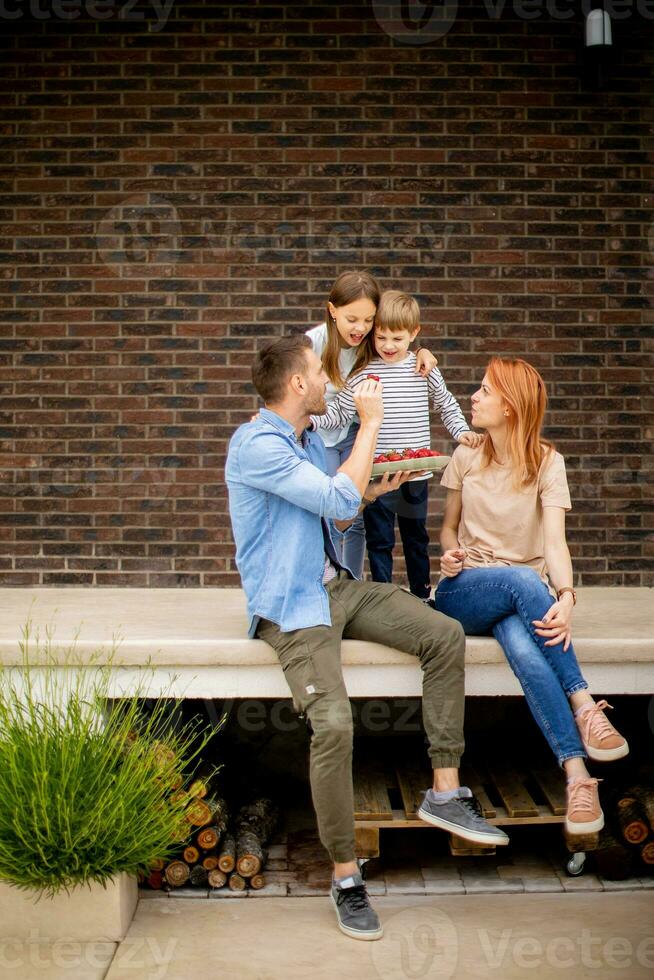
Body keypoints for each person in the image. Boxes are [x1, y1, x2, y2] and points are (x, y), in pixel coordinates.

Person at [226, 334, 507, 943]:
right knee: (332, 724)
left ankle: (444, 789)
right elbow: (334, 493)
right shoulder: (256, 445)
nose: (331, 383)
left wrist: (375, 489)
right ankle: (347, 878)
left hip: (335, 588)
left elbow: (340, 512)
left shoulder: (303, 440)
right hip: (292, 607)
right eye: (320, 376)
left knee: (443, 635)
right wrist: (371, 426)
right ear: (297, 384)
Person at [432, 357, 629, 836]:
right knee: (522, 581)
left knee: (525, 648)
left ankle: (578, 777)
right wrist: (450, 557)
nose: (473, 398)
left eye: (484, 391)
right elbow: (447, 530)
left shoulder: (548, 463)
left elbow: (555, 543)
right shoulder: (466, 455)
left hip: (522, 600)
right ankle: (584, 703)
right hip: (464, 593)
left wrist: (566, 597)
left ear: (511, 407)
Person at [310, 290, 483, 599]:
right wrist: (310, 420)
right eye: (381, 338)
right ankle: (382, 595)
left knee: (416, 537)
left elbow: (446, 404)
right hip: (379, 473)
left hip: (417, 474)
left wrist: (461, 431)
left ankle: (420, 594)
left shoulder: (423, 369)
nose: (388, 346)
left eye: (397, 338)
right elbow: (338, 414)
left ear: (413, 334)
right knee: (379, 540)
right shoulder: (363, 373)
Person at [306, 272, 439, 579]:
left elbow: (397, 346)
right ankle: (326, 580)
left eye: (368, 321)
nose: (361, 328)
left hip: (357, 431)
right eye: (353, 319)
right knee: (332, 510)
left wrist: (421, 352)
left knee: (358, 514)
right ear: (332, 310)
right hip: (323, 435)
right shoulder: (313, 343)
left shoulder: (371, 342)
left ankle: (352, 582)